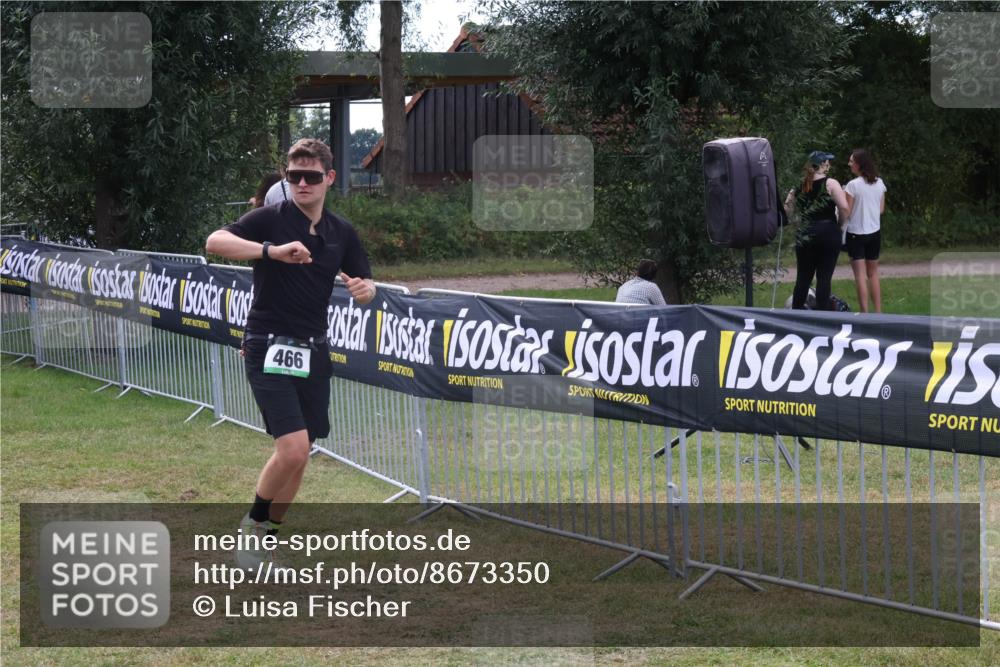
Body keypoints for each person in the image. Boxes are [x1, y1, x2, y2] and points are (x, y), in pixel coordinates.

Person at [205, 138, 376, 566]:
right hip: (267, 345)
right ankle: (249, 531)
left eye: (311, 176)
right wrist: (271, 252)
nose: (302, 183)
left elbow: (367, 285)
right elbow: (214, 241)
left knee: (303, 453)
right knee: (294, 448)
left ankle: (267, 538)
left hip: (314, 350)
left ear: (329, 179)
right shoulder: (270, 219)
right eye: (294, 176)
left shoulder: (341, 232)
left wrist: (364, 289)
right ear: (287, 178)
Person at [784, 151, 851, 310]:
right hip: (828, 230)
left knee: (803, 278)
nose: (830, 165)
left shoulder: (799, 184)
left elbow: (787, 208)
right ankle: (822, 316)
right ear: (822, 164)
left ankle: (796, 313)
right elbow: (844, 208)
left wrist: (797, 223)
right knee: (824, 277)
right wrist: (840, 224)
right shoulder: (831, 183)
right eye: (828, 162)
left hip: (806, 232)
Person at [844, 149, 887, 313]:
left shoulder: (852, 185)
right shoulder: (880, 183)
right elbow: (881, 209)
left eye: (851, 161)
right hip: (874, 233)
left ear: (859, 164)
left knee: (860, 276)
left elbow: (847, 212)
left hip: (856, 234)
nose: (849, 164)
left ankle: (864, 314)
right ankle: (878, 312)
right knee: (873, 274)